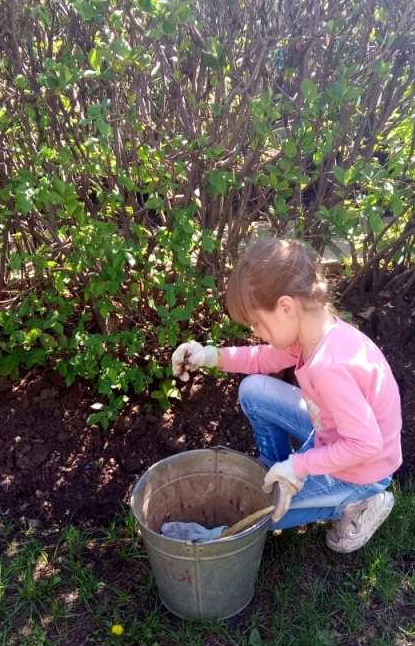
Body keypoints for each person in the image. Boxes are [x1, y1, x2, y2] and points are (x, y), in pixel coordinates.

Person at [171, 237, 402, 553]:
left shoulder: (330, 367)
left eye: (256, 323)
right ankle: (274, 471)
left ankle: (356, 503)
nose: (255, 332)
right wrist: (211, 356)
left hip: (359, 470)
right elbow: (261, 359)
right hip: (334, 435)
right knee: (253, 390)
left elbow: (365, 444)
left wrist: (299, 467)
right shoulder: (312, 331)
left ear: (285, 307)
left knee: (258, 513)